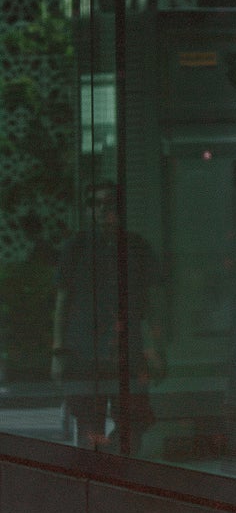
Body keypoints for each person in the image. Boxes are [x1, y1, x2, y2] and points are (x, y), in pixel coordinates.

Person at [51, 181, 162, 451]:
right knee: (89, 425)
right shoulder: (76, 248)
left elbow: (152, 304)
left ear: (119, 208)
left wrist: (155, 349)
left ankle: (122, 475)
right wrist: (58, 353)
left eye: (108, 203)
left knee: (132, 423)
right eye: (95, 204)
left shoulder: (136, 247)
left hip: (127, 350)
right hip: (84, 351)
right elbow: (62, 302)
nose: (102, 210)